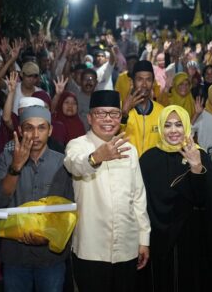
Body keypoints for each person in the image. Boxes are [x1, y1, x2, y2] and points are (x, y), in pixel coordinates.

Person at [63, 90, 150, 292]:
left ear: (121, 117)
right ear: (90, 117)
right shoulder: (77, 145)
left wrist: (143, 240)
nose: (108, 119)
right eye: (101, 113)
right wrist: (96, 157)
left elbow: (138, 198)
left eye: (114, 114)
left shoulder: (130, 150)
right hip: (91, 249)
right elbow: (74, 165)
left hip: (127, 247)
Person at [0, 106, 74, 292]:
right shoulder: (7, 158)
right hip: (15, 255)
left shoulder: (63, 163)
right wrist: (16, 166)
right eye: (29, 128)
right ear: (20, 130)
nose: (35, 134)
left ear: (50, 130)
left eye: (41, 128)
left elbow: (69, 211)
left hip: (51, 256)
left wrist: (48, 236)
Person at [139, 105, 212, 292]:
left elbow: (204, 202)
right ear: (160, 128)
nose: (173, 130)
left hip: (191, 238)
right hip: (157, 236)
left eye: (178, 124)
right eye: (167, 125)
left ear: (187, 127)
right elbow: (140, 200)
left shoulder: (200, 155)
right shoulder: (148, 159)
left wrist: (196, 168)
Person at [122, 61, 165, 157]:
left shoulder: (161, 111)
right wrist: (124, 114)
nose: (144, 85)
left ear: (153, 82)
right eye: (140, 79)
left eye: (148, 80)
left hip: (153, 168)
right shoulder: (120, 108)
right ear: (132, 82)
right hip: (128, 166)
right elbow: (113, 136)